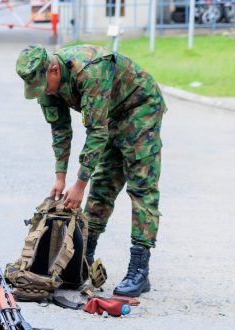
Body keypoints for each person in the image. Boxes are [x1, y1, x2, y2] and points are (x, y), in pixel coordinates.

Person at [15, 44, 166, 298]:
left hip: (140, 108)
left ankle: (139, 269)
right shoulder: (45, 81)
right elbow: (60, 129)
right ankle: (83, 258)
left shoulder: (90, 70)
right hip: (111, 116)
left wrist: (79, 184)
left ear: (53, 69)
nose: (45, 92)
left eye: (45, 85)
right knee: (103, 185)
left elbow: (97, 131)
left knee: (141, 186)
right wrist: (60, 176)